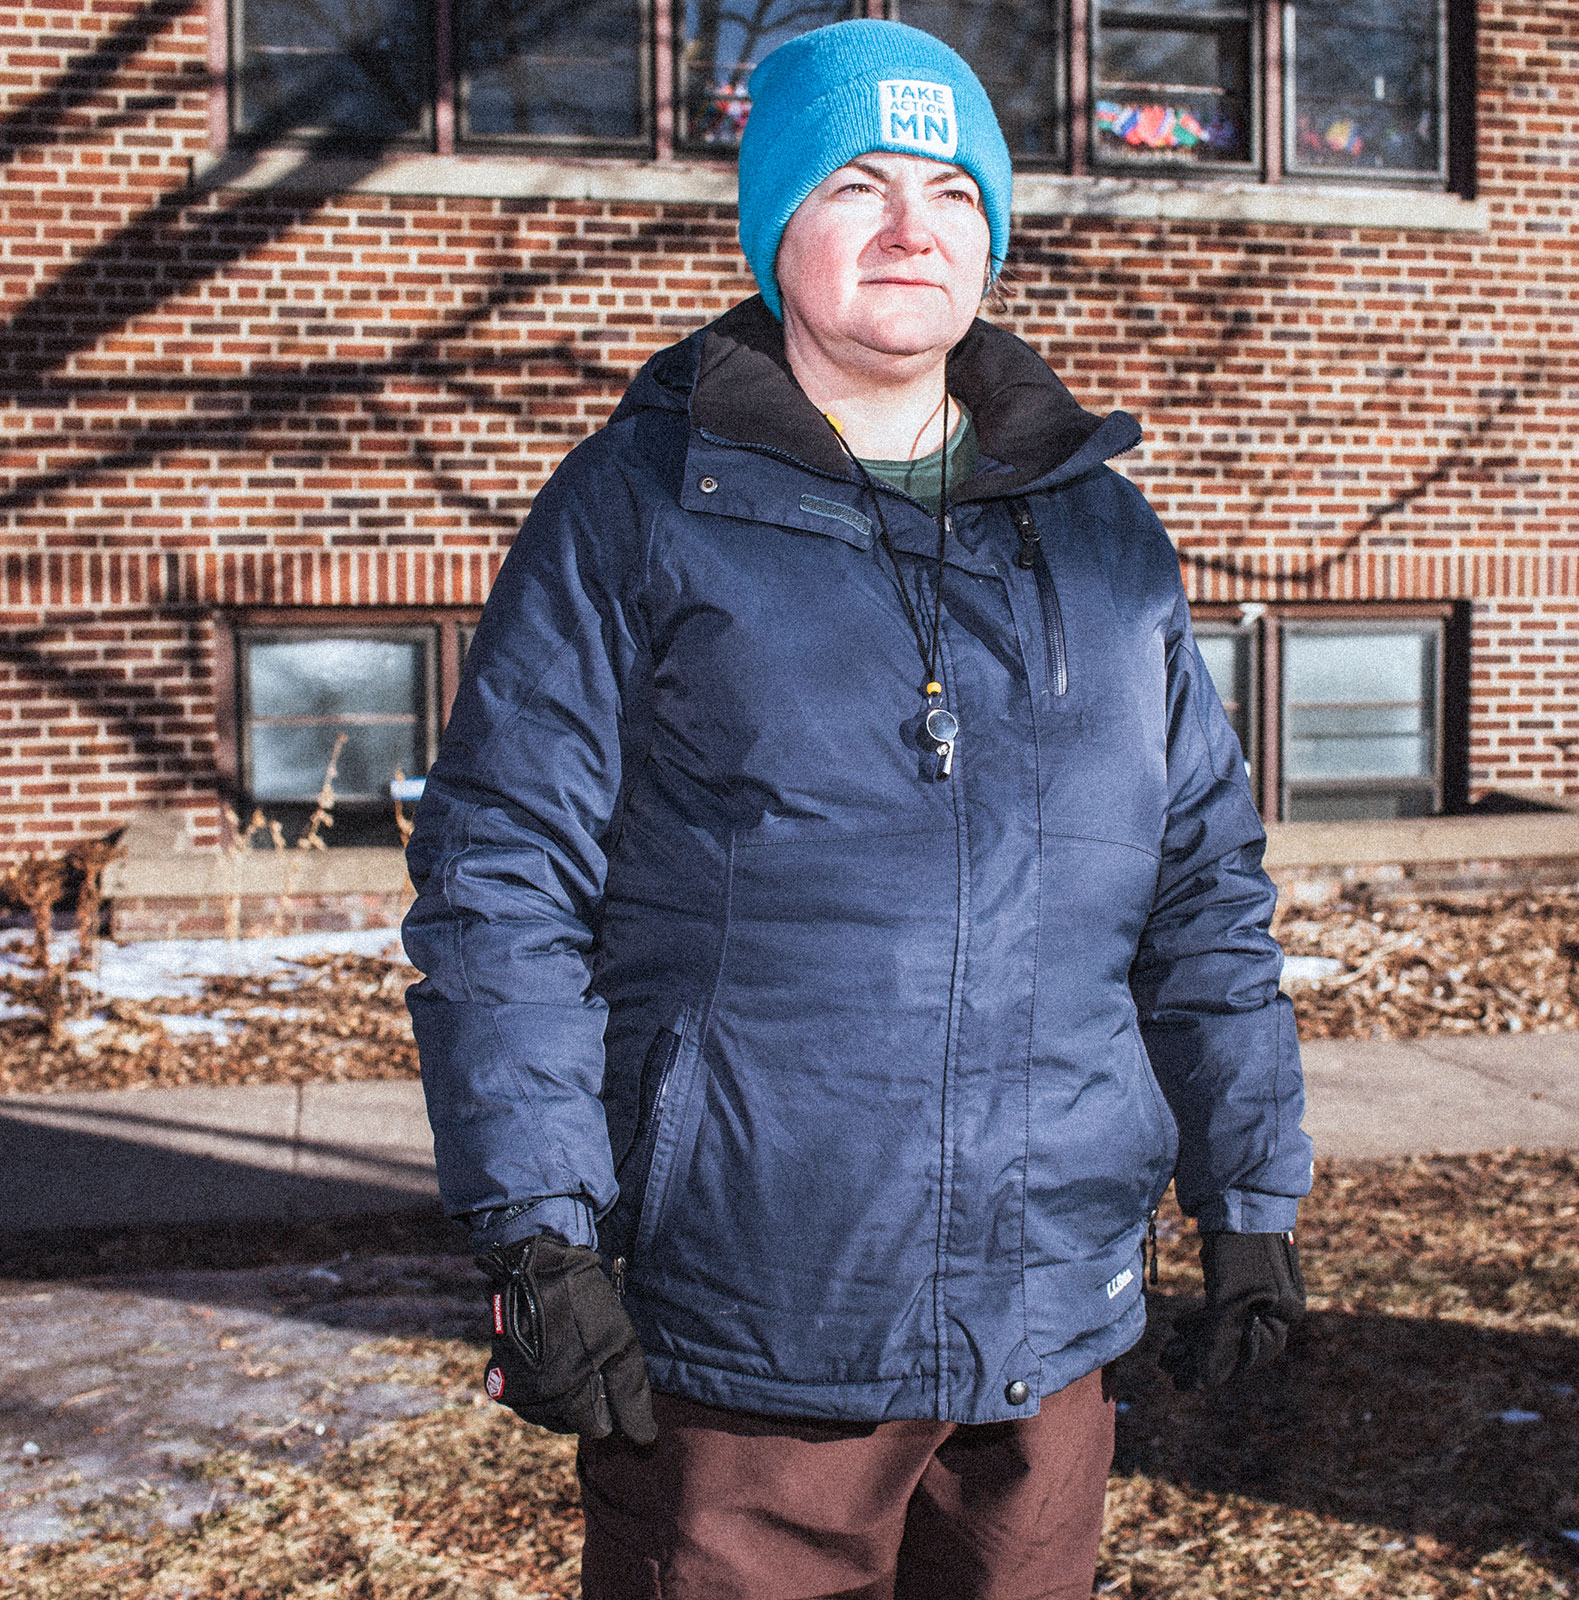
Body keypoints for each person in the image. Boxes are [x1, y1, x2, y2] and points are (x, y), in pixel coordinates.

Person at [402, 20, 1313, 1598]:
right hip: (751, 1326)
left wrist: (1246, 1193)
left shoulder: (1106, 540)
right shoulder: (637, 506)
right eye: (859, 185)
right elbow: (504, 883)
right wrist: (539, 1232)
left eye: (955, 191)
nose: (915, 228)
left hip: (1047, 1325)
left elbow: (1202, 893)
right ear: (775, 231)